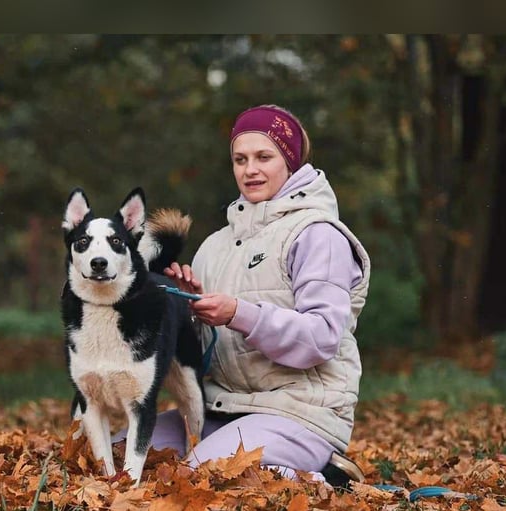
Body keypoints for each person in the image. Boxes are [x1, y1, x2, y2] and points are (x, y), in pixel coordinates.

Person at [129, 104, 371, 486]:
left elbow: (321, 337)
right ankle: (259, 466)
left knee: (199, 479)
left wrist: (237, 313)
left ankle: (326, 480)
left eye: (264, 157)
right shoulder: (215, 244)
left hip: (298, 412)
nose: (250, 169)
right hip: (221, 406)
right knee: (117, 456)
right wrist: (188, 304)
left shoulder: (318, 235)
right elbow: (203, 354)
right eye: (240, 159)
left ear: (290, 161)